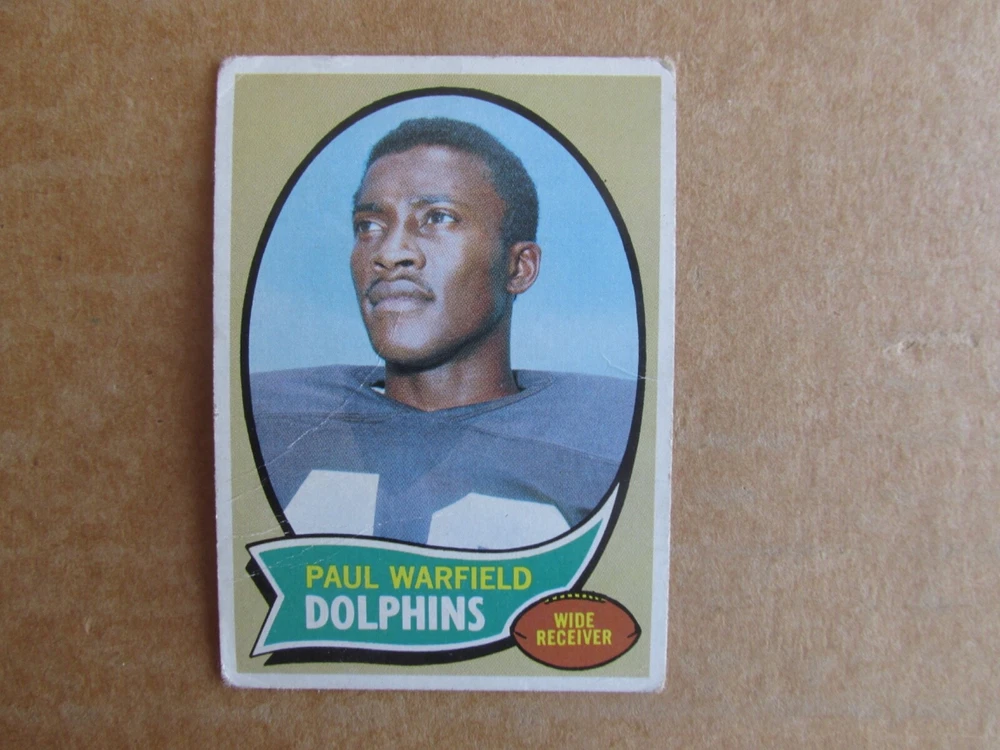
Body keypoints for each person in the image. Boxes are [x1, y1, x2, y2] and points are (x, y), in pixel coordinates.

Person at [250, 117, 635, 549]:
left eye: (437, 218)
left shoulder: (616, 433)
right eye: (369, 225)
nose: (389, 253)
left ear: (519, 268)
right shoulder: (266, 416)